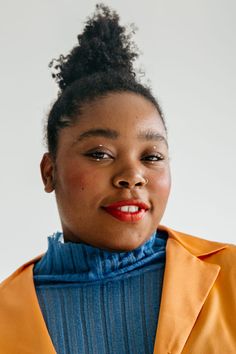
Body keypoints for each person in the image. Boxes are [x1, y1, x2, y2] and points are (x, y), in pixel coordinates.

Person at [0, 4, 235, 354]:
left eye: (152, 157)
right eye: (100, 154)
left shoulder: (229, 278)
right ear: (50, 172)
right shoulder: (5, 314)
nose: (132, 177)